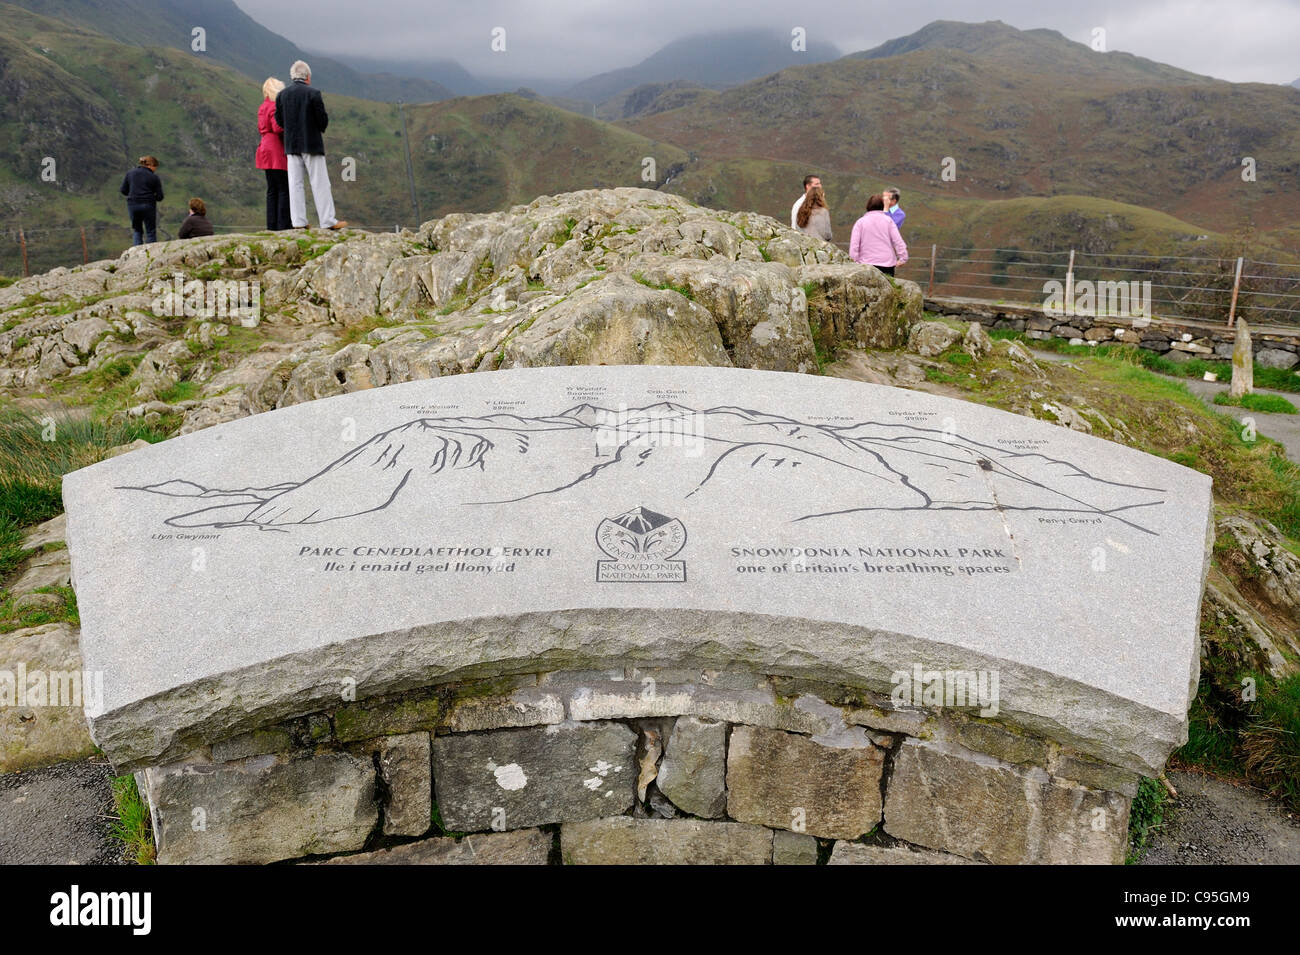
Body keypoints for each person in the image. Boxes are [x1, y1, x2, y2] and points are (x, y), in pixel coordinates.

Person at [275, 60, 347, 230]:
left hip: (291, 144)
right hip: (311, 143)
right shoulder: (313, 93)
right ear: (307, 77)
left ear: (293, 76)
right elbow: (322, 120)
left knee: (295, 183)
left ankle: (298, 222)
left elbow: (279, 120)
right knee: (320, 182)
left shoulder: (282, 95)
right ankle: (327, 220)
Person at [257, 76, 291, 230]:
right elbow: (277, 128)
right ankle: (283, 224)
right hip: (276, 149)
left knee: (272, 189)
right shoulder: (274, 107)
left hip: (264, 147)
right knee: (283, 187)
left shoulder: (262, 107)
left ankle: (271, 225)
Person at [849, 194, 908, 276]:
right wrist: (903, 258)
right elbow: (898, 241)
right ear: (883, 206)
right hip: (887, 265)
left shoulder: (860, 222)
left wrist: (855, 262)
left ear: (868, 206)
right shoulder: (889, 221)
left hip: (866, 265)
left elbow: (854, 245)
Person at [120, 155, 163, 245]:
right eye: (155, 167)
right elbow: (160, 197)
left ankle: (137, 253)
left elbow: (123, 190)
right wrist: (151, 197)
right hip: (148, 205)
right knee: (150, 231)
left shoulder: (130, 173)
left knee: (137, 230)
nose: (155, 170)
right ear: (151, 165)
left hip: (133, 205)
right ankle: (151, 255)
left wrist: (133, 194)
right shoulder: (154, 177)